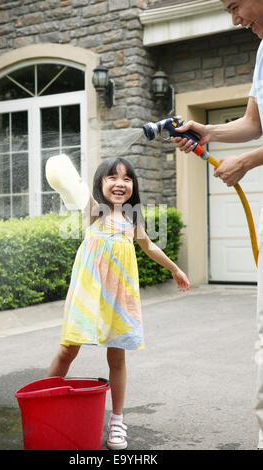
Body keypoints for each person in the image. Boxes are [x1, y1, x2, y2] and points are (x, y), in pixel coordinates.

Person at [48, 157, 190, 450]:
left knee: (117, 357)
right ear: (100, 183)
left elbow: (149, 246)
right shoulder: (94, 210)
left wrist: (175, 269)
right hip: (89, 292)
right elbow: (73, 186)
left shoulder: (131, 218)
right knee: (67, 350)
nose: (120, 183)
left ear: (133, 186)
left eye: (127, 179)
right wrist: (64, 173)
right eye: (112, 177)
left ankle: (116, 419)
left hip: (118, 295)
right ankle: (43, 402)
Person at [171, 0, 263, 450]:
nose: (234, 20)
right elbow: (253, 122)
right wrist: (209, 133)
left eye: (236, 6)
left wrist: (249, 161)